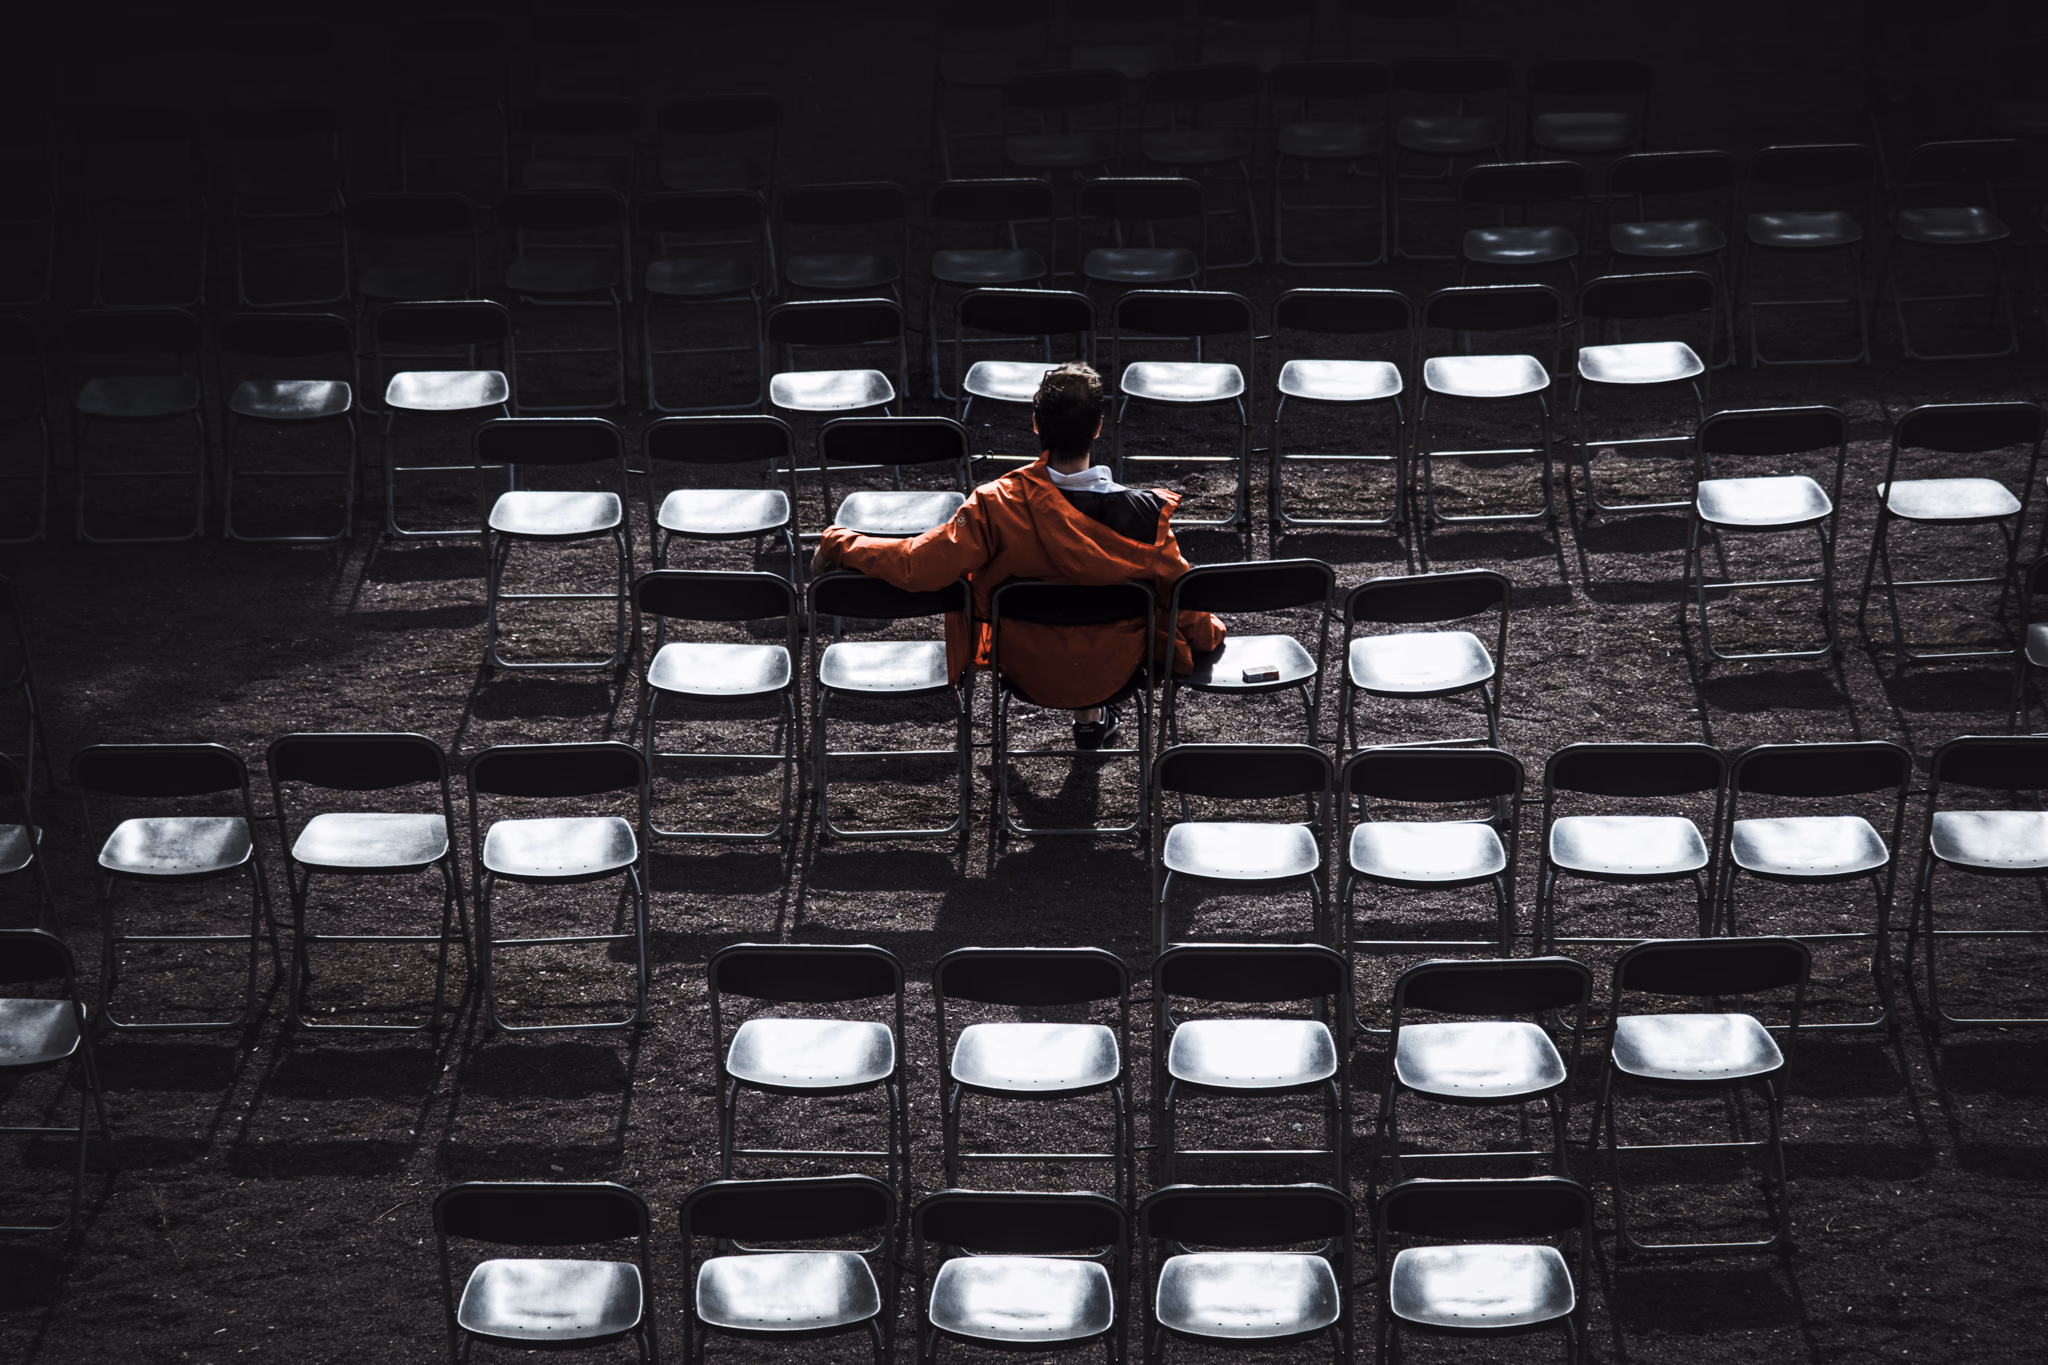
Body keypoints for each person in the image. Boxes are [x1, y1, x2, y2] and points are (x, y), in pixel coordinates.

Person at [809, 362, 1224, 749]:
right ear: (1098, 428)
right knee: (1094, 608)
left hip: (1025, 671)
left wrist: (839, 542)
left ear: (1035, 424)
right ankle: (1090, 716)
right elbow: (1183, 601)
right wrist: (1210, 635)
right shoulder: (1146, 518)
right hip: (1114, 672)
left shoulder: (996, 506)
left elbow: (917, 566)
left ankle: (1090, 715)